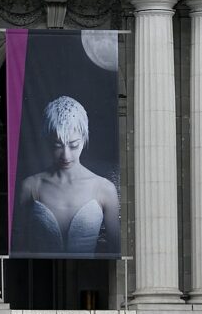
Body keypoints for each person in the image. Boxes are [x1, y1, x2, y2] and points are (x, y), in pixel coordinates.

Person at [11, 96, 120, 257]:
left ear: (84, 138)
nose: (66, 155)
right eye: (57, 146)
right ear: (47, 140)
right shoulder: (31, 186)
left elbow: (115, 250)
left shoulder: (104, 189)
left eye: (74, 145)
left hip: (90, 276)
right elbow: (17, 246)